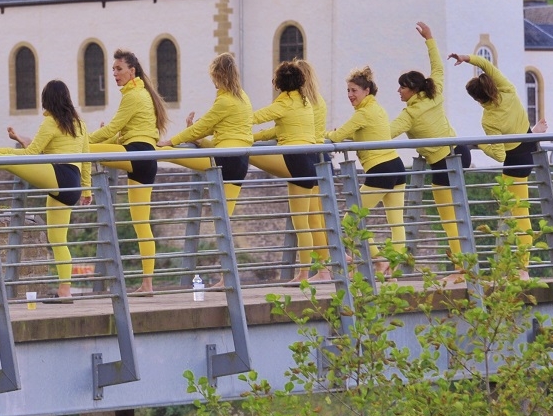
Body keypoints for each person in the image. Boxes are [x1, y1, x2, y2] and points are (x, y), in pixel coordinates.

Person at [0, 80, 91, 302]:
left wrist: (10, 150)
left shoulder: (50, 123)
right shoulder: (79, 125)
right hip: (71, 183)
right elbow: (86, 159)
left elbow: (32, 154)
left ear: (48, 100)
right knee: (58, 239)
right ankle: (65, 292)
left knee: (10, 160)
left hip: (59, 177)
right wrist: (86, 190)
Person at [448, 50, 549, 276]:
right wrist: (467, 58)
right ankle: (505, 263)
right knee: (509, 213)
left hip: (513, 165)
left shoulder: (489, 119)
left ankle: (523, 267)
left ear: (478, 99)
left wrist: (480, 145)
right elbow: (486, 64)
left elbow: (499, 155)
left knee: (519, 216)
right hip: (528, 153)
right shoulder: (508, 90)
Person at [389, 21, 471, 278]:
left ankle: (462, 269)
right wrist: (430, 38)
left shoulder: (410, 113)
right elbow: (437, 67)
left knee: (449, 219)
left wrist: (346, 134)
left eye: (402, 87)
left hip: (444, 163)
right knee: (454, 216)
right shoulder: (434, 94)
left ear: (412, 89)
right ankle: (464, 267)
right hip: (460, 153)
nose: (398, 91)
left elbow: (384, 134)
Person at [88, 49, 168, 295]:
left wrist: (81, 141)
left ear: (132, 71)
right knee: (141, 223)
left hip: (137, 154)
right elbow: (120, 131)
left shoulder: (134, 95)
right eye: (113, 69)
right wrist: (106, 137)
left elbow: (114, 127)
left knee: (87, 149)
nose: (114, 73)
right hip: (144, 157)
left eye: (119, 69)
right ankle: (147, 284)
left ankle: (57, 153)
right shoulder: (141, 94)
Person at [249, 61, 329, 283]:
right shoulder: (304, 102)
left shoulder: (283, 103)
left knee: (300, 222)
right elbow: (280, 127)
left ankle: (303, 274)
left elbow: (256, 117)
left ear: (277, 84)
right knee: (311, 221)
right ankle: (322, 271)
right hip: (311, 159)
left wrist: (231, 122)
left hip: (295, 161)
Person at [324, 66, 405, 274]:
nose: (350, 95)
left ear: (366, 90)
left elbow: (336, 137)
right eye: (348, 91)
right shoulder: (377, 109)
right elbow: (367, 135)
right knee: (397, 224)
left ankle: (378, 261)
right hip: (396, 166)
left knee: (350, 219)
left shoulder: (362, 114)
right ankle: (391, 271)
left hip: (380, 170)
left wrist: (320, 135)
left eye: (354, 91)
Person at [162, 52, 253, 219]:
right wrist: (199, 139)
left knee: (166, 153)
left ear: (219, 75)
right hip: (241, 162)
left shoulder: (225, 100)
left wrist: (170, 141)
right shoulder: (243, 98)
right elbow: (217, 129)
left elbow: (203, 126)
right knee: (224, 219)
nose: (214, 83)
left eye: (214, 78)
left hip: (225, 159)